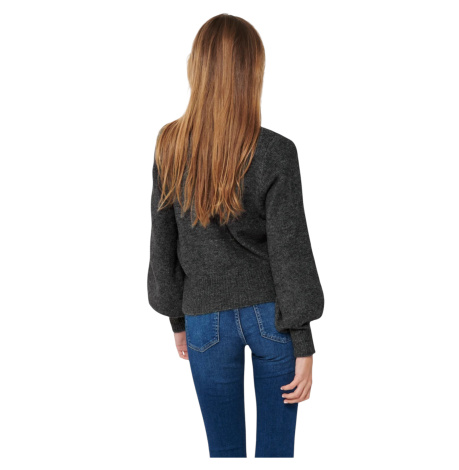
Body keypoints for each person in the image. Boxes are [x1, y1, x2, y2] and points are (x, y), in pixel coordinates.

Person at [147, 13, 324, 458]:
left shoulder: (170, 147)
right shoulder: (276, 152)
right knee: (276, 455)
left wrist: (178, 320)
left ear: (197, 67)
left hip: (204, 320)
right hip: (273, 319)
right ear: (252, 72)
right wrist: (303, 343)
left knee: (223, 454)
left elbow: (163, 246)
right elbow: (290, 251)